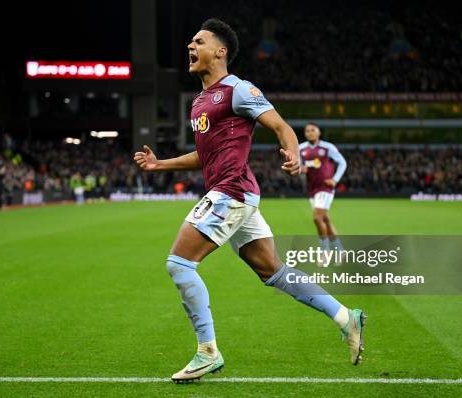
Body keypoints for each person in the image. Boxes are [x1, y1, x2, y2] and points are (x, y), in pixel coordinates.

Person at [134, 19, 365, 383]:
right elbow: (204, 156)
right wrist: (160, 163)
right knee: (273, 272)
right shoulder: (198, 103)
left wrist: (294, 154)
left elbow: (281, 127)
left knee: (180, 264)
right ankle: (345, 317)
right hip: (236, 193)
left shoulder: (238, 90)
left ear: (220, 51)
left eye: (199, 41)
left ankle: (207, 351)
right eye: (190, 42)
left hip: (232, 191)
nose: (190, 47)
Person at [299, 123, 347, 260]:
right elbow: (299, 167)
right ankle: (339, 249)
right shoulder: (301, 148)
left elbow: (343, 162)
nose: (309, 133)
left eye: (312, 130)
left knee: (316, 217)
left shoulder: (327, 147)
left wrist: (335, 179)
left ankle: (324, 251)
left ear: (319, 132)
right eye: (307, 130)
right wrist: (301, 169)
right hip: (312, 188)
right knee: (325, 219)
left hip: (325, 187)